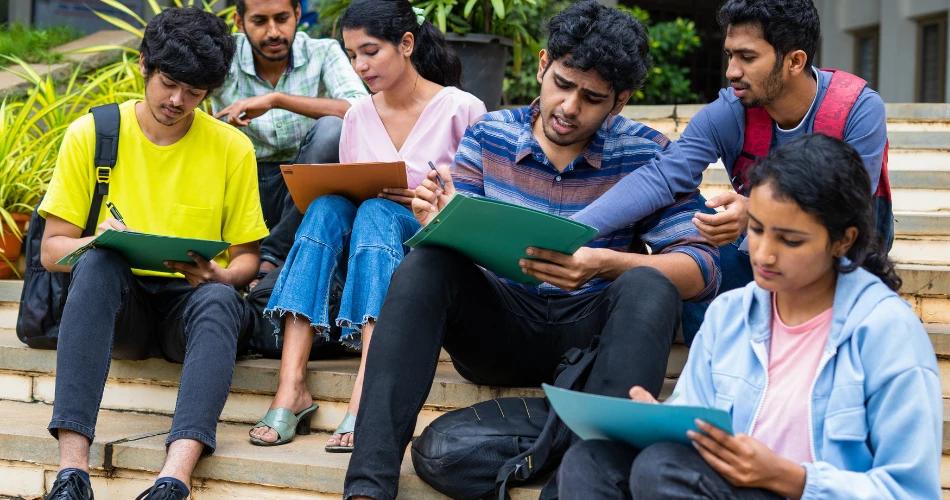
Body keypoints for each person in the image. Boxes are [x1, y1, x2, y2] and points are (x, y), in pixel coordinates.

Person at [343, 2, 721, 499]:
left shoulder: (648, 151)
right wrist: (442, 222)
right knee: (427, 263)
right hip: (501, 329)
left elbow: (702, 267)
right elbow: (463, 244)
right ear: (543, 65)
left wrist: (604, 263)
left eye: (591, 97)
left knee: (650, 281)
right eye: (562, 84)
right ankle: (368, 487)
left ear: (620, 101)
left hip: (593, 342)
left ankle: (586, 481)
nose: (568, 106)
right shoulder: (489, 133)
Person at [557, 134, 941, 500]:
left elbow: (910, 490)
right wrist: (657, 423)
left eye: (790, 240)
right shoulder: (730, 314)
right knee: (592, 460)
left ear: (843, 239)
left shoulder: (886, 332)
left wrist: (789, 477)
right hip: (715, 485)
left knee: (663, 470)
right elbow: (695, 431)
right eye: (756, 229)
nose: (764, 254)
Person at [41, 8, 268, 500]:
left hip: (189, 307)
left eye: (195, 92)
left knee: (224, 300)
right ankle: (71, 473)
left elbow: (248, 259)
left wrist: (220, 276)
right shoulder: (94, 134)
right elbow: (51, 251)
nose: (178, 101)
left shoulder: (232, 149)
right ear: (143, 64)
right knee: (99, 262)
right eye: (169, 84)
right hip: (119, 307)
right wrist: (97, 240)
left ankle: (173, 480)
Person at [572, 0, 892, 343]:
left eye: (748, 57)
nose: (731, 71)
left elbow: (849, 207)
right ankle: (711, 375)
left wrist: (758, 210)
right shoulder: (732, 110)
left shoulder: (857, 109)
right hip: (759, 243)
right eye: (730, 55)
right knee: (705, 259)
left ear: (795, 61)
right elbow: (663, 177)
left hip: (844, 246)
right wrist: (572, 230)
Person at [246, 0, 486, 452]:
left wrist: (432, 201)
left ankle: (366, 396)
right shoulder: (357, 115)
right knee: (324, 209)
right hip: (365, 252)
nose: (360, 66)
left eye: (370, 51)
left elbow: (484, 200)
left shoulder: (463, 108)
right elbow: (353, 191)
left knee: (376, 214)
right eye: (353, 54)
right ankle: (290, 387)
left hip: (429, 251)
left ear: (407, 44)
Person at [212, 0, 368, 282]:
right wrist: (219, 124)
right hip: (244, 181)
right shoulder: (226, 55)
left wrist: (277, 100)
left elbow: (359, 109)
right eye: (260, 21)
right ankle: (244, 260)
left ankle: (272, 256)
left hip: (305, 182)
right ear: (239, 21)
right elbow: (189, 93)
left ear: (297, 14)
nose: (273, 32)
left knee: (332, 130)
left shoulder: (322, 52)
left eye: (282, 18)